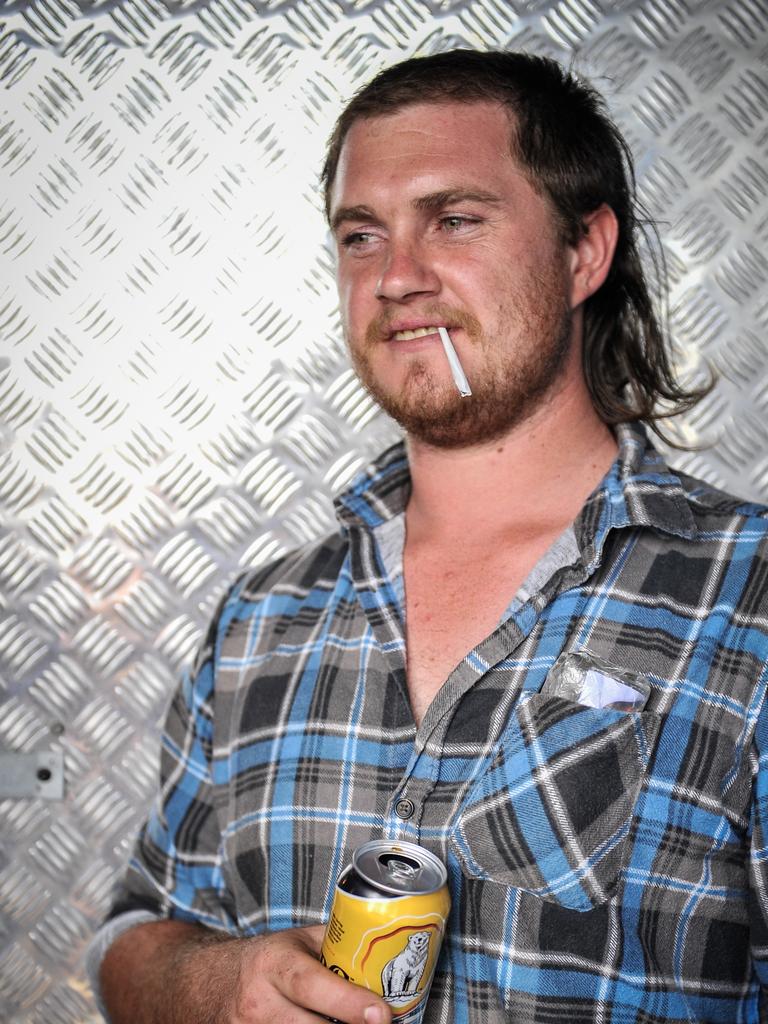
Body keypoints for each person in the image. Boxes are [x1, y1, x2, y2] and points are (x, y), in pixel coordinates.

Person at [89, 49, 768, 1023]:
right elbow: (134, 931)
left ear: (584, 252)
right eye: (362, 235)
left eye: (454, 220)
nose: (397, 276)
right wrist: (213, 986)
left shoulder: (745, 594)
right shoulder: (263, 616)